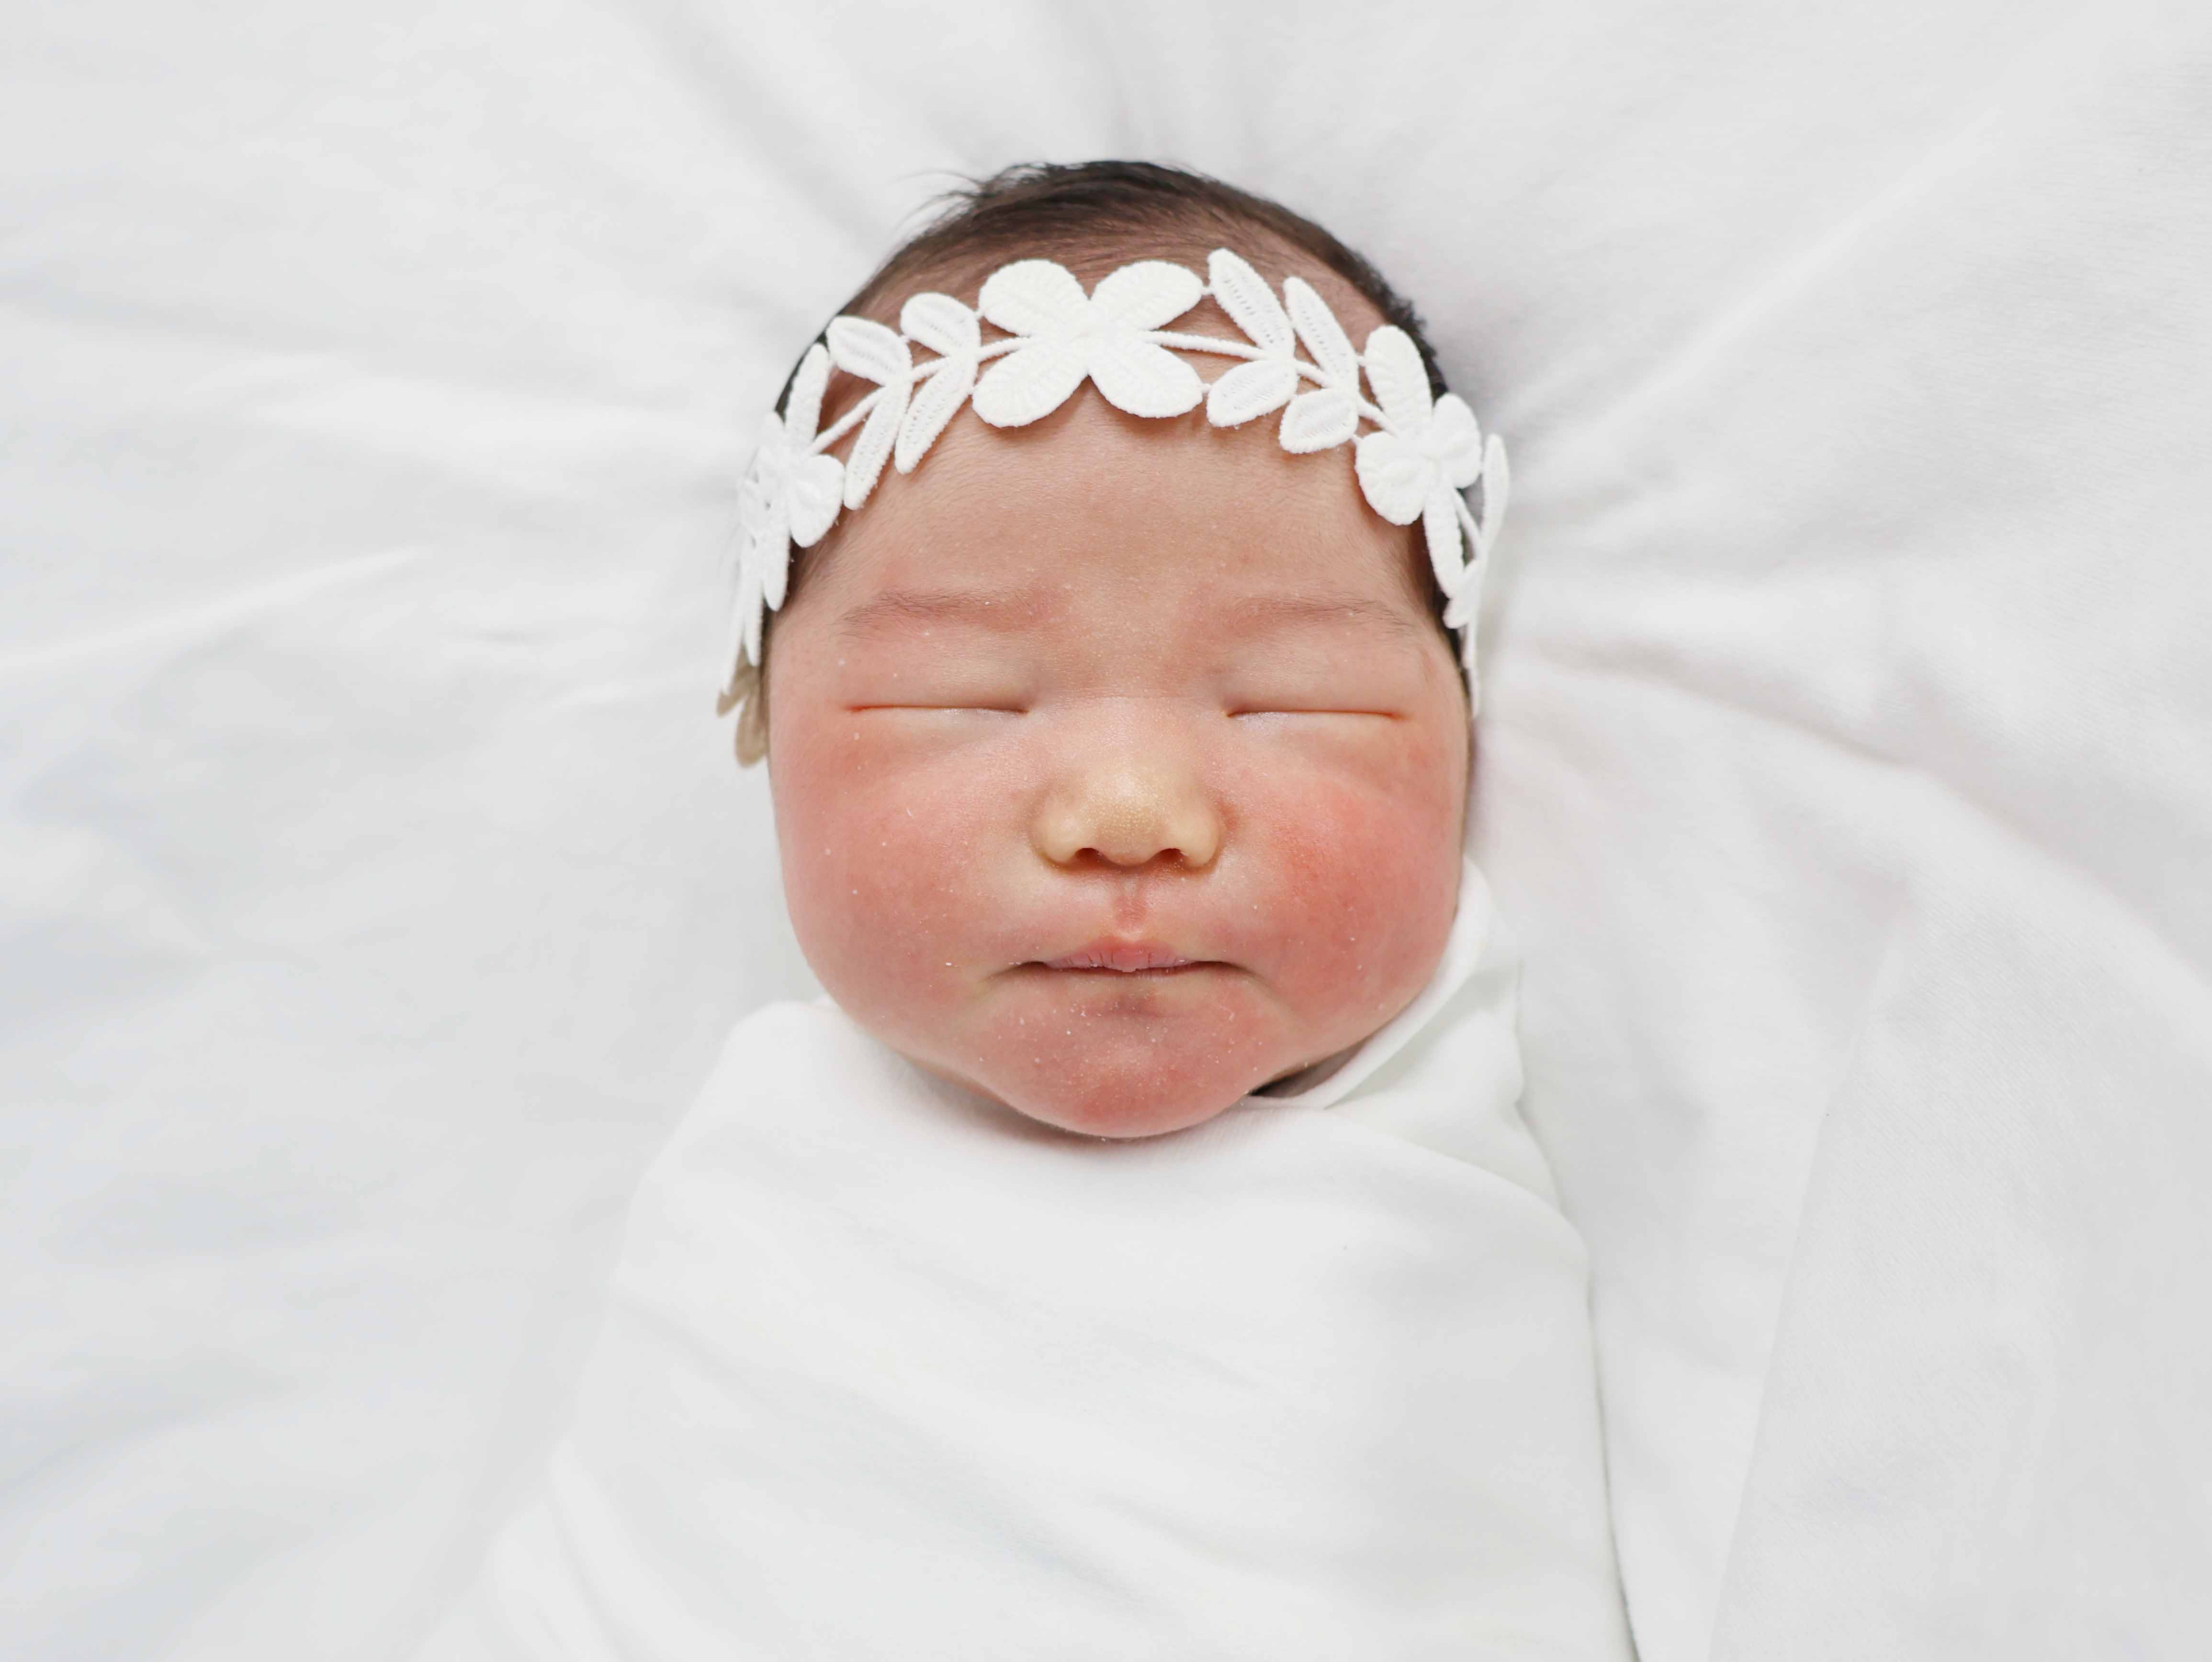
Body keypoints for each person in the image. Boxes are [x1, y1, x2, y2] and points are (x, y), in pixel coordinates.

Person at [420, 162, 1632, 1659]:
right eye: (964, 698)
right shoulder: (760, 1171)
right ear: (764, 729)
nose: (1125, 809)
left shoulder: (1468, 1181)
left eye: (1288, 700)